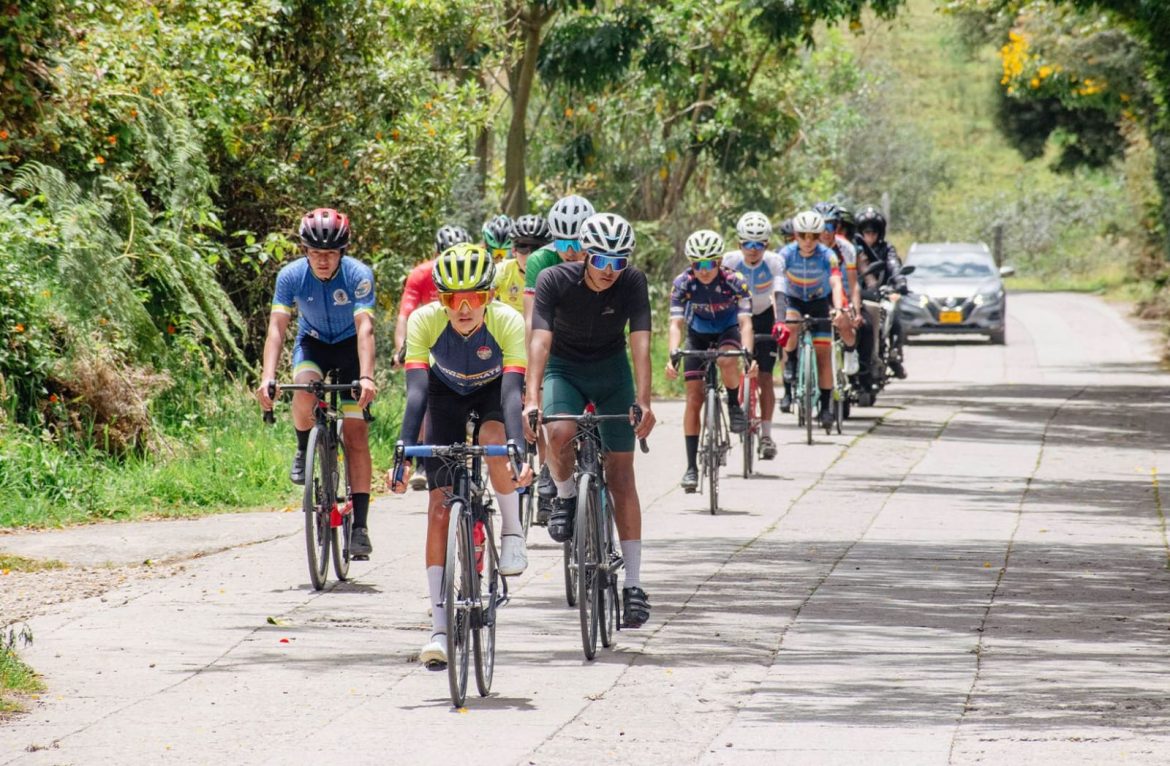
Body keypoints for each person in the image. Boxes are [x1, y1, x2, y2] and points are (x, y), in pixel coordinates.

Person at [388, 243, 533, 669]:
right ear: (440, 298)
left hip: (493, 393)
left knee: (493, 438)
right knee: (437, 506)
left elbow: (511, 394)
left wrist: (517, 450)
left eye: (473, 297)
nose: (463, 307)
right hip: (444, 394)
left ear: (489, 295)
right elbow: (416, 395)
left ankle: (512, 531)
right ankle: (437, 629)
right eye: (452, 298)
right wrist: (403, 452)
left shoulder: (507, 322)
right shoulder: (424, 321)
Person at [524, 212, 657, 629]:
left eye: (619, 263)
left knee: (622, 475)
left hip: (611, 369)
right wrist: (532, 399)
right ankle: (564, 494)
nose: (610, 272)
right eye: (602, 261)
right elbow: (540, 341)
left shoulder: (632, 283)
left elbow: (640, 343)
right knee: (560, 431)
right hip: (565, 367)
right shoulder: (554, 281)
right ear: (585, 254)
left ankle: (633, 584)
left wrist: (644, 401)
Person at [257, 208, 378, 558]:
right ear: (304, 250)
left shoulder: (358, 274)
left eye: (330, 253)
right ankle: (302, 445)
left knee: (355, 435)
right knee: (304, 388)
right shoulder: (291, 276)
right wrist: (267, 377)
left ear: (343, 251)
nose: (323, 261)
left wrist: (367, 376)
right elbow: (277, 329)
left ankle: (361, 527)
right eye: (315, 253)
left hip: (349, 348)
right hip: (312, 343)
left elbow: (365, 329)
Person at [666, 229, 756, 491]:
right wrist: (673, 354)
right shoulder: (683, 282)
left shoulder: (735, 280)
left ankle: (733, 405)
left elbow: (745, 322)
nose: (703, 270)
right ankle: (691, 467)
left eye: (709, 264)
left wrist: (748, 353)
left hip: (728, 330)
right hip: (698, 334)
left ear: (719, 261)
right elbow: (676, 323)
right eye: (697, 264)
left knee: (728, 359)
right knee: (694, 399)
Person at [522, 195, 595, 519]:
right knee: (549, 415)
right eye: (562, 240)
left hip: (594, 343)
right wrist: (530, 378)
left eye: (576, 240)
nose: (569, 248)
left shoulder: (602, 258)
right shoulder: (540, 261)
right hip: (554, 343)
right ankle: (550, 472)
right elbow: (532, 320)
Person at [393, 224, 473, 490]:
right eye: (445, 254)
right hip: (429, 338)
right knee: (423, 395)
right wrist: (400, 350)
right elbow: (405, 315)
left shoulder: (476, 275)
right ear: (436, 254)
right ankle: (421, 462)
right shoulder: (420, 274)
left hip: (463, 340)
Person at [721, 212, 788, 460]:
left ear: (766, 245)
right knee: (726, 363)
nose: (753, 249)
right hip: (735, 316)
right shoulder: (729, 260)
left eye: (758, 244)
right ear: (739, 244)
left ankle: (767, 435)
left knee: (766, 376)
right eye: (747, 243)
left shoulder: (774, 262)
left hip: (763, 315)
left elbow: (780, 296)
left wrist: (780, 322)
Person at [779, 210, 845, 430]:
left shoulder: (828, 255)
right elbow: (777, 282)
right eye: (803, 235)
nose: (808, 241)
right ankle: (791, 363)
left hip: (818, 300)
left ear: (820, 236)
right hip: (794, 299)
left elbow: (836, 283)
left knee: (823, 356)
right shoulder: (786, 254)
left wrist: (837, 308)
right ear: (795, 235)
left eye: (814, 236)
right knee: (790, 324)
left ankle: (826, 408)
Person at [855, 205, 908, 380]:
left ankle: (894, 354)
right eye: (866, 232)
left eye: (873, 232)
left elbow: (894, 265)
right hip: (857, 294)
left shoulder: (887, 249)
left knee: (895, 316)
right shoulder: (853, 250)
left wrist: (900, 280)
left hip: (881, 294)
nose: (870, 236)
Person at [492, 214, 547, 313]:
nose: (531, 256)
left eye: (537, 248)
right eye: (523, 247)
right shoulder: (503, 270)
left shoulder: (555, 274)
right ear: (514, 251)